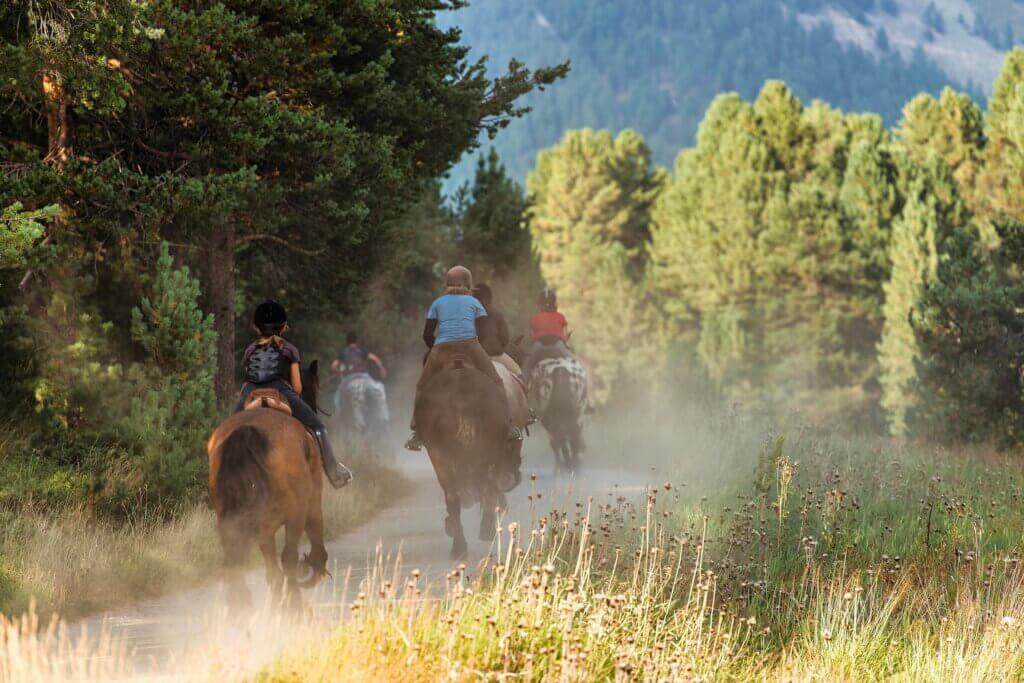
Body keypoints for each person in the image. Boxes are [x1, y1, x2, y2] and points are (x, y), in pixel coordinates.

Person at [235, 300, 352, 488]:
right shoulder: (289, 349)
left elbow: (246, 381)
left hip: (250, 393)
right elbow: (297, 387)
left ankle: (230, 477)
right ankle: (334, 474)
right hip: (280, 390)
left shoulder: (250, 349)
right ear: (282, 327)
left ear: (257, 327)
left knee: (229, 430)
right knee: (319, 427)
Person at [405, 266, 523, 451]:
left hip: (442, 348)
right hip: (470, 347)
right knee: (497, 381)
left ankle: (417, 431)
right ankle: (507, 426)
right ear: (468, 284)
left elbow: (427, 335)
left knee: (421, 386)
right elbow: (483, 332)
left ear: (447, 284)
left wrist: (436, 348)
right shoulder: (474, 304)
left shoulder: (438, 303)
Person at [331, 332, 390, 430]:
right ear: (356, 341)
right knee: (379, 391)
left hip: (350, 380)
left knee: (337, 399)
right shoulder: (362, 350)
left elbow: (333, 366)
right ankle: (384, 419)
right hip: (366, 379)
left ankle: (338, 417)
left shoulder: (343, 353)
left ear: (347, 342)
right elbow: (374, 359)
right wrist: (381, 368)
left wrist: (339, 372)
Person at [473, 282, 521, 376]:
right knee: (519, 373)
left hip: (477, 358)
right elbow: (505, 339)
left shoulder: (471, 316)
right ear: (489, 297)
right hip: (497, 355)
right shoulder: (497, 314)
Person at [524, 288, 571, 379]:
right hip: (558, 344)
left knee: (528, 364)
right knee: (571, 360)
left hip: (538, 346)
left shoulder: (535, 317)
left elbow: (531, 336)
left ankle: (524, 382)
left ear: (540, 304)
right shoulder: (560, 316)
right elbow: (565, 335)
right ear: (554, 303)